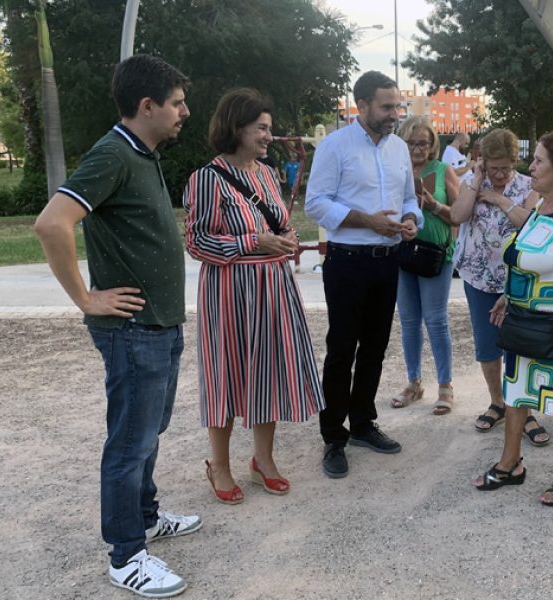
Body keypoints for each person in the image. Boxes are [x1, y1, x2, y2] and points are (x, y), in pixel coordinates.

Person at [34, 54, 198, 598]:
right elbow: (52, 223)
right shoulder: (112, 154)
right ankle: (127, 555)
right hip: (132, 331)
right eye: (175, 104)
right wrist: (85, 297)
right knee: (129, 443)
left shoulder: (142, 153)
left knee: (147, 433)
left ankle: (146, 518)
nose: (185, 112)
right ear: (146, 106)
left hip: (159, 325)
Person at [182, 88, 325, 504]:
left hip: (273, 286)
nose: (268, 135)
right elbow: (197, 242)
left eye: (269, 128)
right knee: (227, 373)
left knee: (267, 372)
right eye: (261, 128)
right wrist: (253, 241)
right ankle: (220, 465)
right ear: (236, 127)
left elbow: (276, 226)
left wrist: (285, 240)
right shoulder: (206, 179)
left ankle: (263, 459)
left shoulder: (264, 174)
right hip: (229, 292)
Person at [472, 128, 553, 506]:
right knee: (515, 394)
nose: (532, 167)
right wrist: (506, 298)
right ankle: (511, 463)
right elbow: (521, 260)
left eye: (540, 160)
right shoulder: (538, 211)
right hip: (522, 319)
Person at [305, 71, 421, 479]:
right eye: (387, 106)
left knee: (375, 346)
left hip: (387, 260)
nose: (395, 113)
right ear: (362, 105)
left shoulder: (399, 149)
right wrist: (367, 221)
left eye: (397, 105)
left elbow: (409, 197)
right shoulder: (335, 146)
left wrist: (410, 219)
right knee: (341, 349)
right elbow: (315, 203)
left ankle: (363, 423)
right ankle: (334, 437)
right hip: (347, 262)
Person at [449, 128, 550, 445]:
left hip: (518, 280)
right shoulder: (472, 182)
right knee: (487, 344)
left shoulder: (526, 186)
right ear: (482, 161)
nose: (501, 173)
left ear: (514, 161)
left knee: (520, 346)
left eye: (506, 166)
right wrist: (478, 180)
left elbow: (529, 223)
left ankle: (524, 409)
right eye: (494, 167)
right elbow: (458, 215)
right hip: (478, 277)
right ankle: (498, 403)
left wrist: (498, 198)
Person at [390, 116, 459, 415]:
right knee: (407, 321)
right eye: (412, 143)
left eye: (424, 143)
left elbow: (458, 214)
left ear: (433, 145)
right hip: (402, 253)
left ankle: (445, 385)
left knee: (436, 320)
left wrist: (432, 205)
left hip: (434, 255)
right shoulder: (395, 171)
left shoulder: (443, 170)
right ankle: (413, 381)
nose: (418, 149)